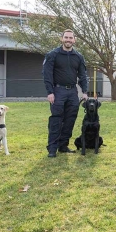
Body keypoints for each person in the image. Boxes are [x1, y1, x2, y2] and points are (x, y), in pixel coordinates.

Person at [42, 29, 88, 158]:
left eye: (70, 38)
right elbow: (47, 74)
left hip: (73, 92)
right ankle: (52, 148)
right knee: (56, 120)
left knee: (70, 119)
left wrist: (84, 91)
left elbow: (83, 75)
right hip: (57, 91)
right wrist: (50, 92)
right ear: (62, 39)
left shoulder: (78, 57)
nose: (68, 40)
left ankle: (63, 145)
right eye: (66, 37)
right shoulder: (53, 54)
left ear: (74, 40)